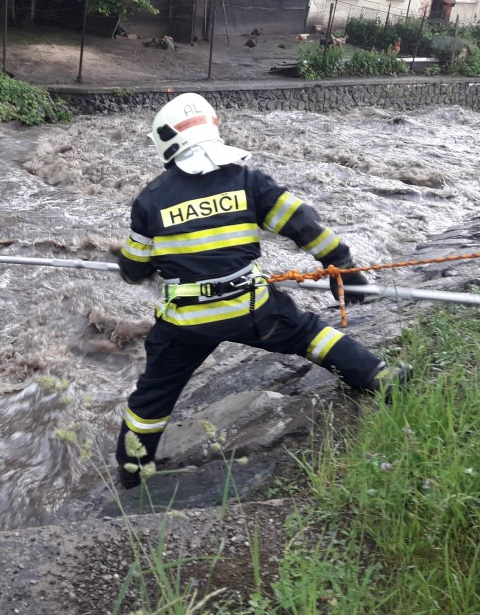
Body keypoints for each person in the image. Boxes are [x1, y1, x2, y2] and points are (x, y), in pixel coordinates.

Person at [114, 93, 409, 489]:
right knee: (308, 334)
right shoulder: (248, 181)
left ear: (167, 141)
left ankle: (132, 472)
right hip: (251, 307)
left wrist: (138, 260)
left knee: (153, 395)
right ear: (212, 130)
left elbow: (134, 270)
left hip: (186, 321)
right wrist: (342, 267)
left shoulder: (150, 200)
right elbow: (302, 225)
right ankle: (378, 378)